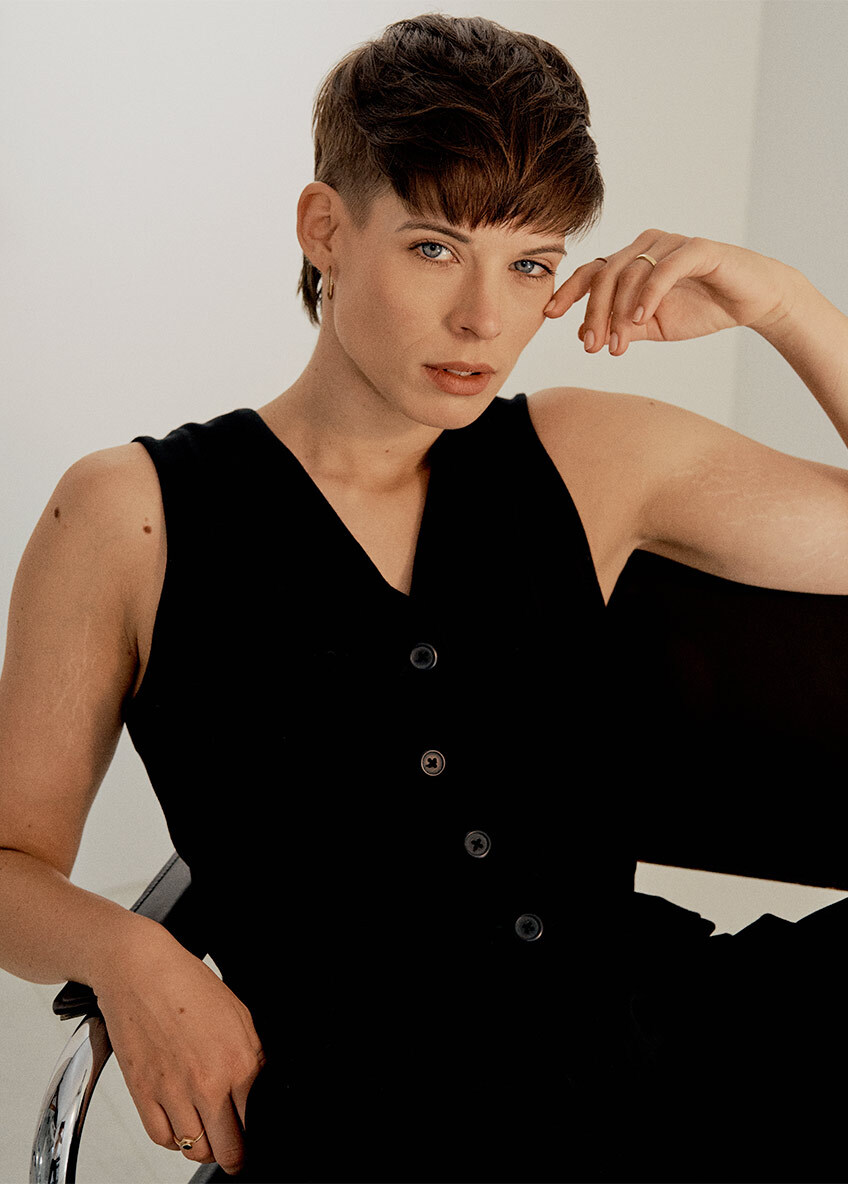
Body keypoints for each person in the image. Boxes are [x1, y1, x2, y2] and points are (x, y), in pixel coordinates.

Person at [2, 11, 848, 1183]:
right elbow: (9, 859)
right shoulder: (128, 513)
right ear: (325, 228)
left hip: (671, 1063)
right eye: (435, 248)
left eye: (530, 264)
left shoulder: (586, 455)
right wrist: (131, 952)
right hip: (376, 1123)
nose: (483, 320)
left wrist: (785, 303)